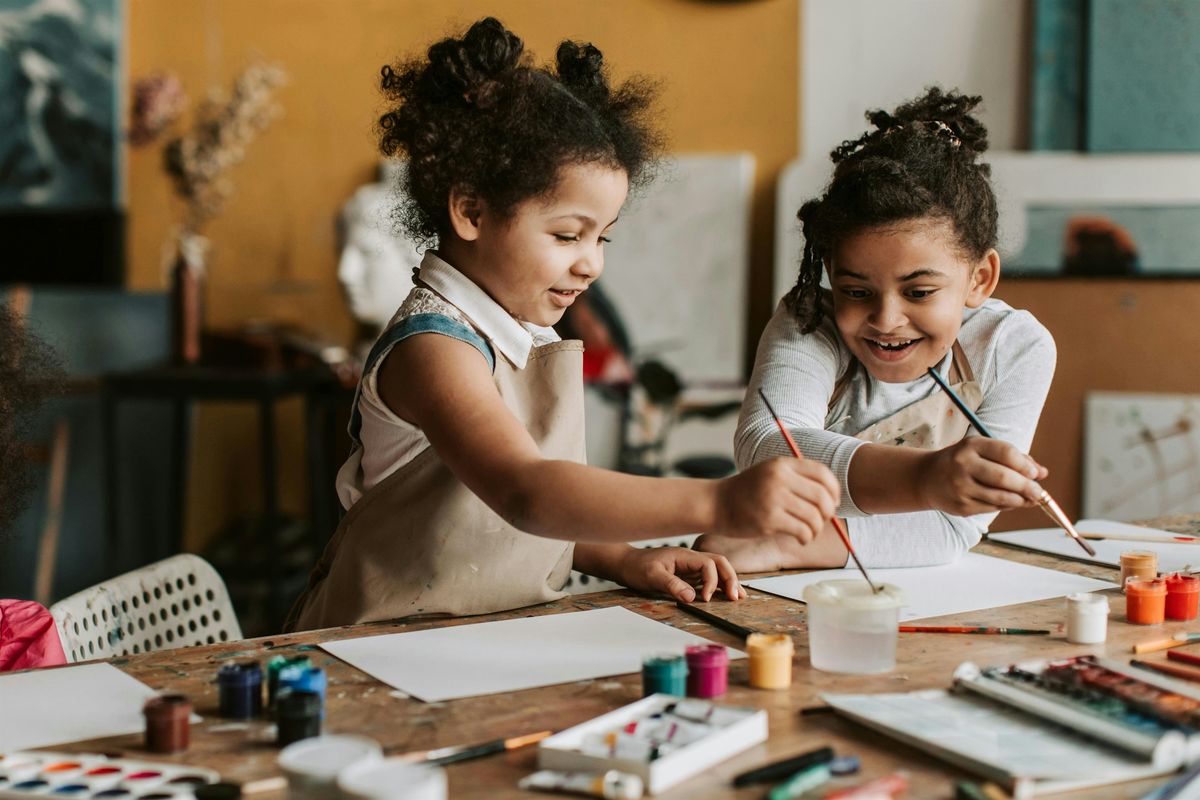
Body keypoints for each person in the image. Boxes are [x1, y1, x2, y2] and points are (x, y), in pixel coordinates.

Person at [286, 18, 840, 630]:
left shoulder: (524, 335)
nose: (592, 262)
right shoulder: (434, 349)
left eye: (603, 237)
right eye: (567, 234)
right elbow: (528, 494)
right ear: (470, 210)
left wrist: (627, 559)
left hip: (478, 639)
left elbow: (498, 528)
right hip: (372, 649)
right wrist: (719, 500)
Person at [696, 88, 1056, 571]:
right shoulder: (809, 321)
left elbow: (953, 529)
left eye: (919, 292)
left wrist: (790, 545)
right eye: (857, 292)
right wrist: (928, 478)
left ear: (980, 278)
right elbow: (767, 450)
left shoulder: (1012, 349)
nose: (886, 321)